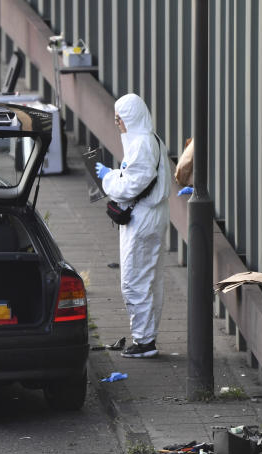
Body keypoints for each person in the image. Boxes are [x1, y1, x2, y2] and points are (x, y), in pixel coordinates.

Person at [94, 93, 170, 358]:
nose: (118, 123)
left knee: (134, 281)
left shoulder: (141, 145)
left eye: (121, 118)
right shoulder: (151, 141)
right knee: (150, 279)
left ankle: (144, 342)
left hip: (143, 220)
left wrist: (108, 177)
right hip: (152, 215)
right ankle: (147, 337)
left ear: (133, 117)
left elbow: (129, 186)